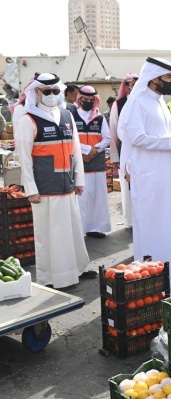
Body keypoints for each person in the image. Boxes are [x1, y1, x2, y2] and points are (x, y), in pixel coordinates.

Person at [117, 57, 171, 300]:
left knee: (169, 225)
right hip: (148, 177)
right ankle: (152, 284)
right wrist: (170, 141)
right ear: (155, 78)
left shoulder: (159, 102)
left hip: (165, 174)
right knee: (153, 228)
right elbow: (137, 138)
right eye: (168, 78)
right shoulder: (138, 102)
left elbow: (162, 136)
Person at [16, 73, 92, 288]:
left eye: (55, 91)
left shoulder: (67, 116)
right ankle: (53, 277)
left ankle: (77, 269)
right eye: (46, 91)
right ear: (36, 92)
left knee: (73, 229)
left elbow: (76, 150)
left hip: (67, 185)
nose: (51, 95)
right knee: (51, 235)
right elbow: (24, 158)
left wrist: (79, 180)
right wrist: (30, 189)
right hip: (45, 188)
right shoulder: (28, 119)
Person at [72, 85, 111, 238]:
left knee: (97, 196)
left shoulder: (99, 118)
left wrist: (94, 150)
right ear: (79, 99)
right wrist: (86, 150)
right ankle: (80, 230)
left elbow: (107, 137)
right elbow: (70, 138)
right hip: (79, 161)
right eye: (85, 99)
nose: (88, 102)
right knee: (81, 197)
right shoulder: (71, 116)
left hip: (96, 162)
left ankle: (96, 227)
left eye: (91, 100)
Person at [109, 73, 138, 229]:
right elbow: (113, 130)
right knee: (127, 188)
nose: (133, 87)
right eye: (131, 84)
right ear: (126, 86)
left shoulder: (144, 102)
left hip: (143, 151)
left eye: (136, 84)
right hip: (125, 152)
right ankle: (131, 222)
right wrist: (114, 157)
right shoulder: (119, 104)